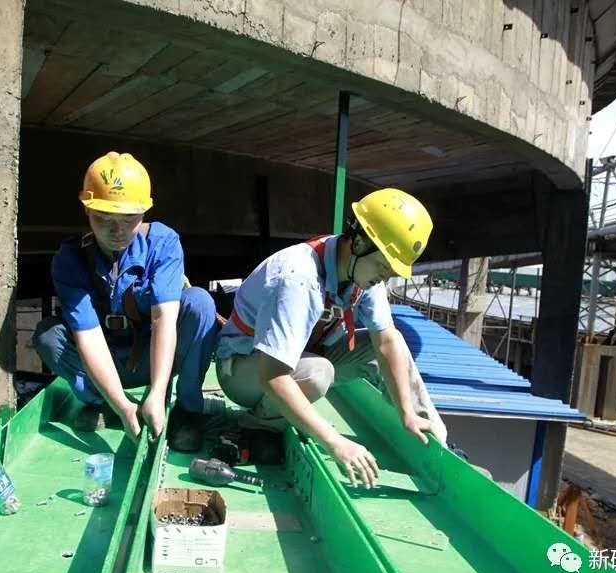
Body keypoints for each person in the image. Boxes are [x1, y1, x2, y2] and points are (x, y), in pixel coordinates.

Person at [215, 188, 448, 488]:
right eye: (383, 267)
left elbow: (386, 341)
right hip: (242, 369)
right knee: (318, 373)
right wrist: (335, 442)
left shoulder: (361, 272)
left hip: (301, 358)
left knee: (394, 344)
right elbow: (272, 375)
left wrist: (406, 411)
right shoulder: (298, 278)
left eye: (391, 271)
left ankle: (434, 442)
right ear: (359, 243)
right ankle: (257, 424)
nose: (385, 277)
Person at [33, 152, 218, 451]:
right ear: (86, 209)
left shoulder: (163, 243)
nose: (116, 231)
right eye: (103, 218)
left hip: (153, 359)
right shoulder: (70, 259)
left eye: (129, 219)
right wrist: (122, 405)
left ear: (144, 212)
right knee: (49, 335)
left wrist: (157, 391)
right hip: (105, 362)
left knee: (199, 303)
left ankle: (186, 411)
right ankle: (105, 402)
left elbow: (163, 318)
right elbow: (88, 337)